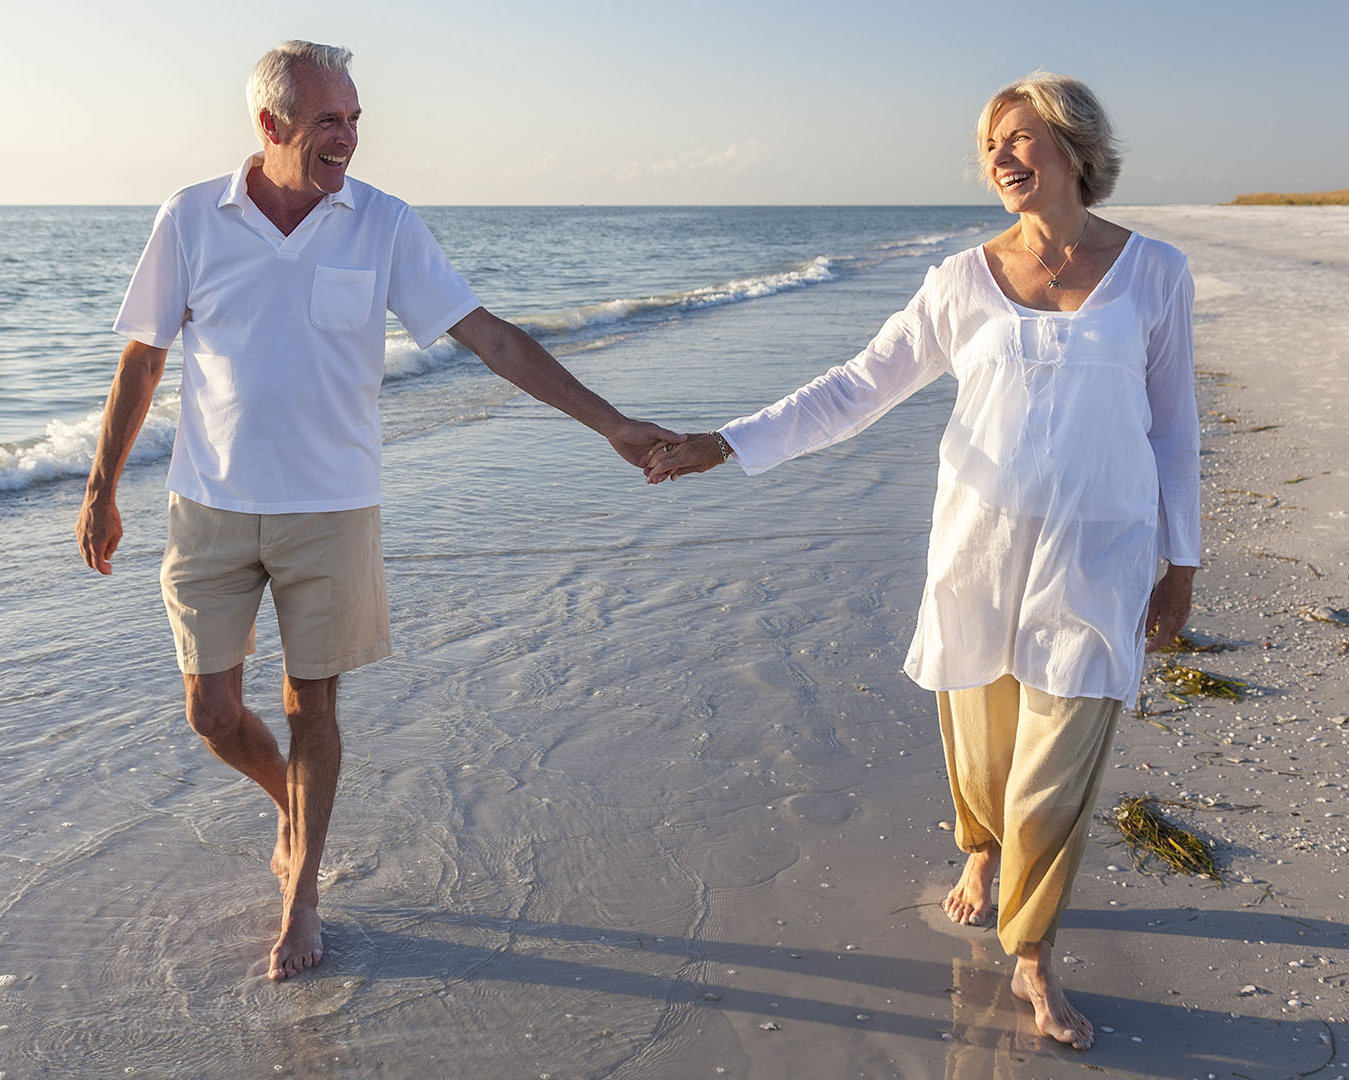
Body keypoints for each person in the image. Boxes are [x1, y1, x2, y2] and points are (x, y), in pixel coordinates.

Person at [76, 40, 676, 982]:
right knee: (212, 712)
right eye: (328, 121)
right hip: (209, 506)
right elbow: (144, 358)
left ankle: (303, 890)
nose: (348, 138)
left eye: (355, 119)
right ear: (270, 126)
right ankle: (291, 804)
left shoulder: (383, 224)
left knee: (313, 704)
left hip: (333, 511)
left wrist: (606, 423)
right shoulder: (191, 218)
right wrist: (102, 486)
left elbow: (490, 338)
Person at [646, 72, 1199, 1050]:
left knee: (1055, 766)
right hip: (980, 552)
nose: (1000, 158)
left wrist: (1180, 562)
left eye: (1019, 139)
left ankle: (1031, 955)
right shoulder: (959, 280)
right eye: (990, 144)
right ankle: (978, 850)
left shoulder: (1154, 274)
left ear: (1075, 149)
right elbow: (859, 386)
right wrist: (726, 441)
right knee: (983, 754)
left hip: (1098, 555)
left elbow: (1173, 430)